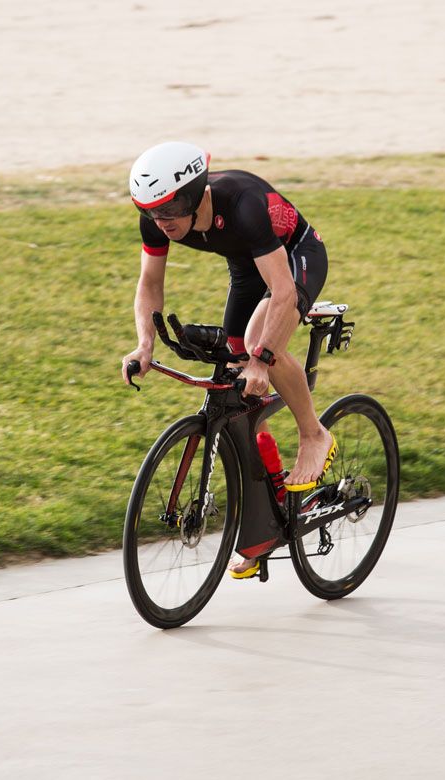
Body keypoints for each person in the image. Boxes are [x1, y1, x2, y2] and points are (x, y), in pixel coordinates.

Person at [119, 141, 337, 578]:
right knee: (236, 398)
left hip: (294, 257)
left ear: (198, 190)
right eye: (151, 211)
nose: (163, 221)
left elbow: (283, 291)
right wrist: (145, 345)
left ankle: (314, 435)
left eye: (172, 207)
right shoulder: (159, 222)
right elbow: (150, 285)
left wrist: (260, 360)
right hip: (245, 264)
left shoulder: (242, 204)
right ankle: (266, 520)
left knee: (259, 346)